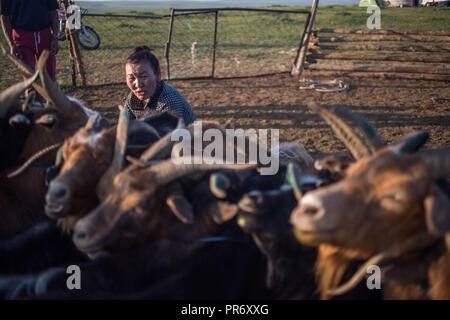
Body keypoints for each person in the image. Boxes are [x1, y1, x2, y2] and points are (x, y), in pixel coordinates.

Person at [123, 46, 196, 125]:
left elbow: (166, 135)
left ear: (158, 74)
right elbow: (125, 127)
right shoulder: (132, 99)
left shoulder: (169, 102)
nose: (138, 84)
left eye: (144, 77)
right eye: (131, 78)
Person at [1, 0, 59, 81]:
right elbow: (5, 16)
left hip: (45, 35)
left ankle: (50, 92)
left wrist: (55, 37)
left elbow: (53, 11)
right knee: (29, 77)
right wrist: (11, 44)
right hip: (21, 36)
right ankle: (31, 93)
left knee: (50, 76)